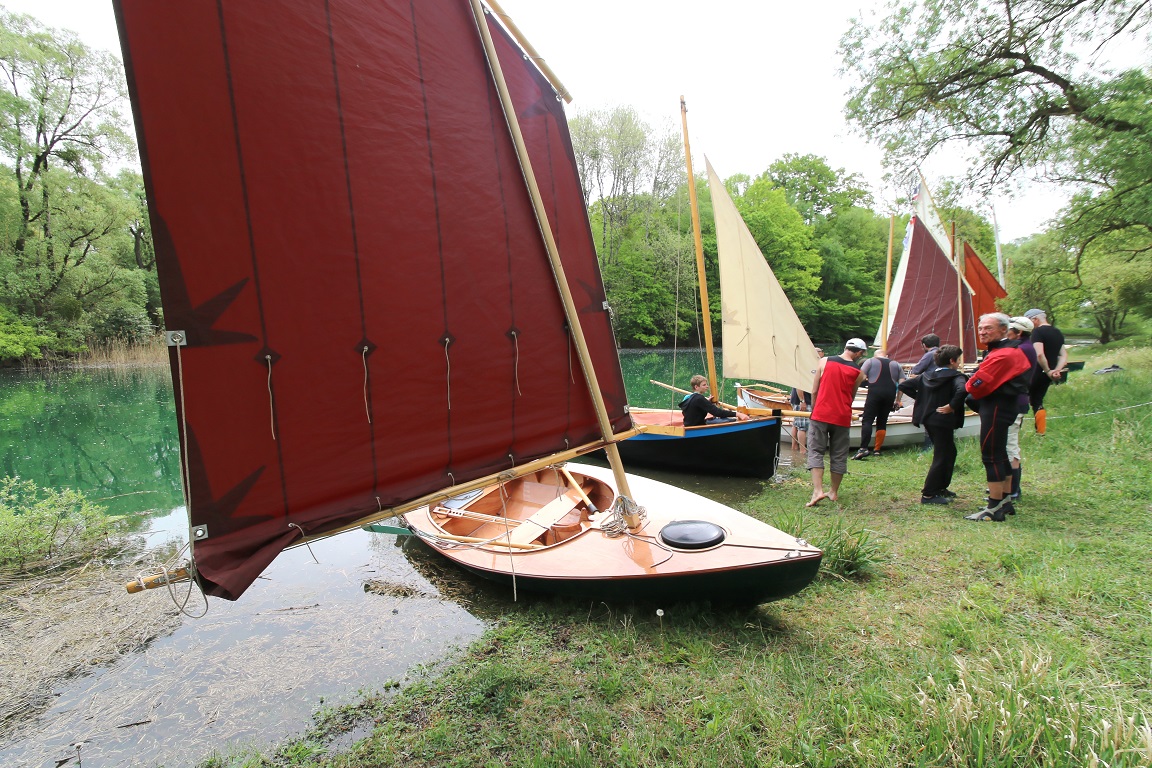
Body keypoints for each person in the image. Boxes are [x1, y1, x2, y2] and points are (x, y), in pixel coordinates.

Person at [964, 313, 1032, 521]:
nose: (983, 332)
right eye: (981, 328)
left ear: (1004, 330)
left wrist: (970, 382)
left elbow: (975, 384)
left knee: (991, 454)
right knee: (1001, 453)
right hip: (1002, 406)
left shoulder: (1002, 355)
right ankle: (1005, 500)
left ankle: (994, 507)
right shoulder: (1005, 350)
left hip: (996, 407)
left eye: (988, 328)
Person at [897, 344, 968, 504]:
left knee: (950, 452)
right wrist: (951, 406)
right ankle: (928, 494)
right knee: (942, 455)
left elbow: (904, 385)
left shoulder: (926, 376)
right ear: (952, 360)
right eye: (958, 359)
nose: (959, 362)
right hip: (942, 420)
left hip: (929, 419)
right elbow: (962, 391)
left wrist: (923, 399)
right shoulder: (957, 377)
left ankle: (940, 487)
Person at [805, 338, 867, 507]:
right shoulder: (859, 372)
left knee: (816, 450)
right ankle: (833, 492)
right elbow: (851, 397)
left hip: (821, 414)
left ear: (846, 347)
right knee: (838, 453)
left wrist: (814, 409)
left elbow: (815, 390)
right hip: (842, 416)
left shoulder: (824, 361)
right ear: (859, 353)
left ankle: (817, 490)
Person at [1005, 316, 1039, 500]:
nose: (1006, 333)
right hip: (1017, 400)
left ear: (1018, 332)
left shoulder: (1022, 349)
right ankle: (1007, 486)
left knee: (1010, 445)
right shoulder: (1025, 346)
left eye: (1009, 330)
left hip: (1015, 401)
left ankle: (1012, 489)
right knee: (1007, 444)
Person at [853, 347, 906, 459]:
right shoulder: (896, 364)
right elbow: (902, 383)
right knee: (882, 421)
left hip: (875, 393)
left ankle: (863, 448)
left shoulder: (870, 361)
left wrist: (852, 389)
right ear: (886, 356)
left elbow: (861, 377)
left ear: (875, 355)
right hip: (890, 395)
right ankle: (877, 450)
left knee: (867, 420)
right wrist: (898, 399)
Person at [1024, 308, 1068, 435]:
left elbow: (1039, 354)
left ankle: (1014, 431)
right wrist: (1056, 370)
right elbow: (1063, 355)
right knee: (1037, 400)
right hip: (1048, 374)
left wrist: (1047, 369)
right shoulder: (1057, 332)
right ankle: (1040, 432)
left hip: (1036, 371)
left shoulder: (1038, 332)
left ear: (1035, 320)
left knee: (1021, 398)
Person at [679, 375, 750, 427]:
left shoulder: (689, 398)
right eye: (704, 385)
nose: (707, 386)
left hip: (688, 426)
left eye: (706, 384)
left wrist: (707, 402)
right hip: (696, 428)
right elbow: (718, 412)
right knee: (729, 420)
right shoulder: (699, 398)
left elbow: (694, 409)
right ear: (696, 387)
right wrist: (738, 414)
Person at [788, 348, 824, 451]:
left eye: (820, 352)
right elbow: (799, 385)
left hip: (799, 399)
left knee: (796, 423)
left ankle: (794, 447)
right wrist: (802, 401)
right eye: (817, 352)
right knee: (802, 426)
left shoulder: (814, 365)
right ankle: (802, 451)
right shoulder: (806, 366)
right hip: (803, 400)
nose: (819, 354)